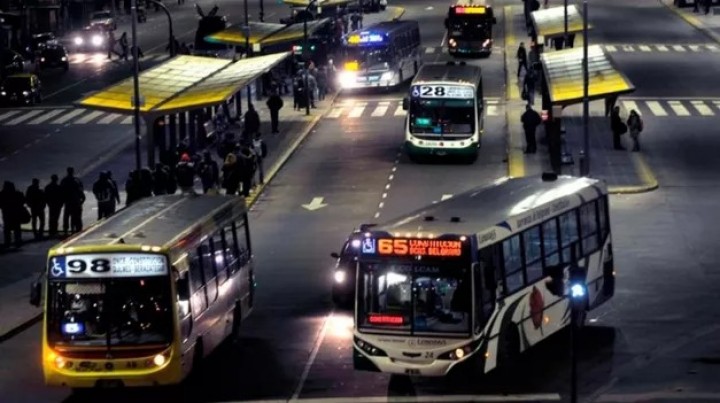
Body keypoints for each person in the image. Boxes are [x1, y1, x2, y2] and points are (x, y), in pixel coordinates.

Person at [60, 166, 85, 234]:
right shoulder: (76, 180)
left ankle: (66, 229)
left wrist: (62, 201)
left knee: (67, 216)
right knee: (76, 216)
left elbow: (61, 191)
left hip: (68, 201)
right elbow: (81, 190)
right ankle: (76, 229)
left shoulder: (64, 180)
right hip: (76, 201)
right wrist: (82, 200)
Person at [0, 181, 25, 248]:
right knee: (17, 228)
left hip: (7, 214)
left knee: (7, 229)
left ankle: (7, 242)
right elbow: (22, 201)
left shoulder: (2, 194)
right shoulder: (17, 193)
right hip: (16, 213)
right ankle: (18, 241)